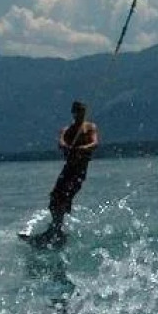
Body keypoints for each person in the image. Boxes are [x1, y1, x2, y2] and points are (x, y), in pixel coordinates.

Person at [41, 100, 99, 241]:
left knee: (66, 197)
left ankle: (58, 230)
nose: (81, 115)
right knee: (55, 196)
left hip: (79, 171)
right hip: (68, 169)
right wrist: (66, 146)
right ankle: (55, 227)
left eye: (83, 112)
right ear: (73, 113)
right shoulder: (66, 130)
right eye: (78, 112)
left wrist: (81, 148)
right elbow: (61, 142)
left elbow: (94, 143)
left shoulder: (90, 128)